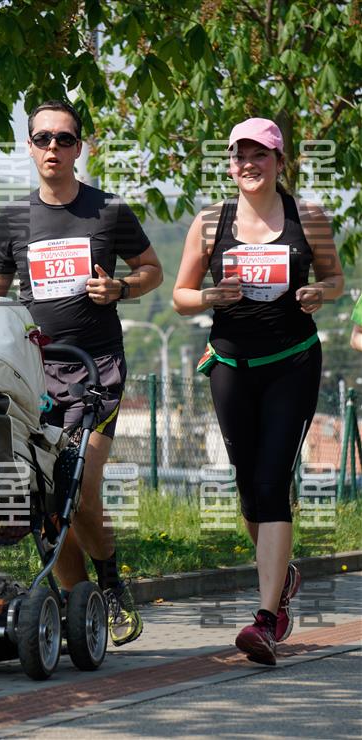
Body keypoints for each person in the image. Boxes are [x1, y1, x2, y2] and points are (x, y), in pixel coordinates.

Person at [0, 100, 163, 646]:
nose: (53, 147)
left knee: (79, 489)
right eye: (43, 138)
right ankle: (82, 610)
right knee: (43, 498)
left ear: (79, 147)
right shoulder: (14, 219)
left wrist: (121, 288)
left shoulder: (108, 211)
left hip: (96, 371)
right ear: (30, 147)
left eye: (64, 138)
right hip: (34, 377)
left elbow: (153, 270)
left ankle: (110, 584)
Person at [173, 118, 344, 665]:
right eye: (240, 155)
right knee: (249, 487)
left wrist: (320, 292)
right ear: (230, 165)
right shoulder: (210, 223)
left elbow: (336, 279)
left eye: (260, 155)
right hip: (230, 365)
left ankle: (266, 620)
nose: (249, 164)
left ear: (279, 161)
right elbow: (180, 296)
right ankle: (282, 574)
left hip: (292, 363)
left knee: (271, 482)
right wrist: (210, 297)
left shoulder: (308, 217)